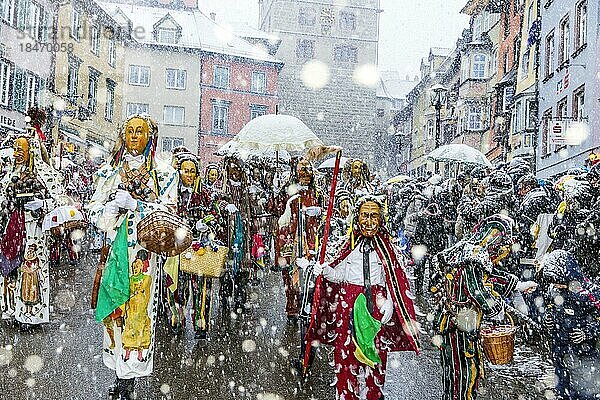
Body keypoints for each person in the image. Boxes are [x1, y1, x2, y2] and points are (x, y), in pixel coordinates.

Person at [87, 115, 178, 400]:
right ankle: (118, 372)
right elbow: (93, 210)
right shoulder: (109, 171)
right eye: (130, 131)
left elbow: (169, 214)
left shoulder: (163, 173)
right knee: (116, 311)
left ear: (150, 135)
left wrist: (136, 205)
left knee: (137, 312)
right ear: (123, 135)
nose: (135, 136)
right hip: (116, 252)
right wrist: (111, 210)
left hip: (143, 256)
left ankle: (130, 379)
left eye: (140, 132)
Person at [307, 196, 420, 400]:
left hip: (375, 307)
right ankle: (346, 395)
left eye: (374, 216)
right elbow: (339, 274)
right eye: (365, 215)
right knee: (346, 355)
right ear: (357, 218)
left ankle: (373, 395)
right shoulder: (349, 244)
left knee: (375, 356)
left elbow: (393, 281)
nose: (369, 221)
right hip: (348, 307)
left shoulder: (387, 249)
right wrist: (324, 271)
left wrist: (391, 304)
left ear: (381, 219)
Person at [432, 234, 537, 400]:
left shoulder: (470, 253)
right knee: (462, 374)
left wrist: (517, 285)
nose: (504, 251)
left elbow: (491, 277)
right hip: (458, 327)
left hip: (458, 324)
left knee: (456, 373)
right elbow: (476, 290)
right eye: (503, 247)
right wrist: (496, 309)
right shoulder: (472, 258)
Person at [0, 134, 64, 328]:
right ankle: (11, 309)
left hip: (34, 229)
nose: (18, 153)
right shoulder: (10, 173)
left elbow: (59, 199)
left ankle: (30, 315)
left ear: (31, 151)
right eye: (16, 149)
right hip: (12, 226)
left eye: (21, 149)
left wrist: (41, 204)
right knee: (12, 269)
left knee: (31, 271)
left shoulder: (42, 173)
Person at [164, 152, 222, 339]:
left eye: (192, 171)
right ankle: (176, 319)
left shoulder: (203, 193)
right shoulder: (171, 193)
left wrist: (205, 223)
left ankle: (200, 323)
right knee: (176, 287)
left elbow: (216, 215)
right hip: (176, 248)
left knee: (201, 289)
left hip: (199, 248)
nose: (188, 174)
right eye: (185, 170)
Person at [540, 250, 600, 399]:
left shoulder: (589, 293)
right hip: (560, 349)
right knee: (562, 389)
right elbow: (548, 309)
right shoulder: (552, 290)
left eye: (559, 281)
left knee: (587, 391)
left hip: (584, 354)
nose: (557, 286)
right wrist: (547, 320)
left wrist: (587, 332)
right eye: (554, 282)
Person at [277, 158, 323, 322]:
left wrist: (319, 213)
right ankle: (292, 309)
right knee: (291, 276)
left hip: (311, 239)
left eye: (308, 170)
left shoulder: (317, 193)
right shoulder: (288, 192)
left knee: (310, 274)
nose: (305, 174)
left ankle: (308, 306)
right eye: (301, 170)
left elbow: (325, 215)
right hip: (290, 239)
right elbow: (278, 213)